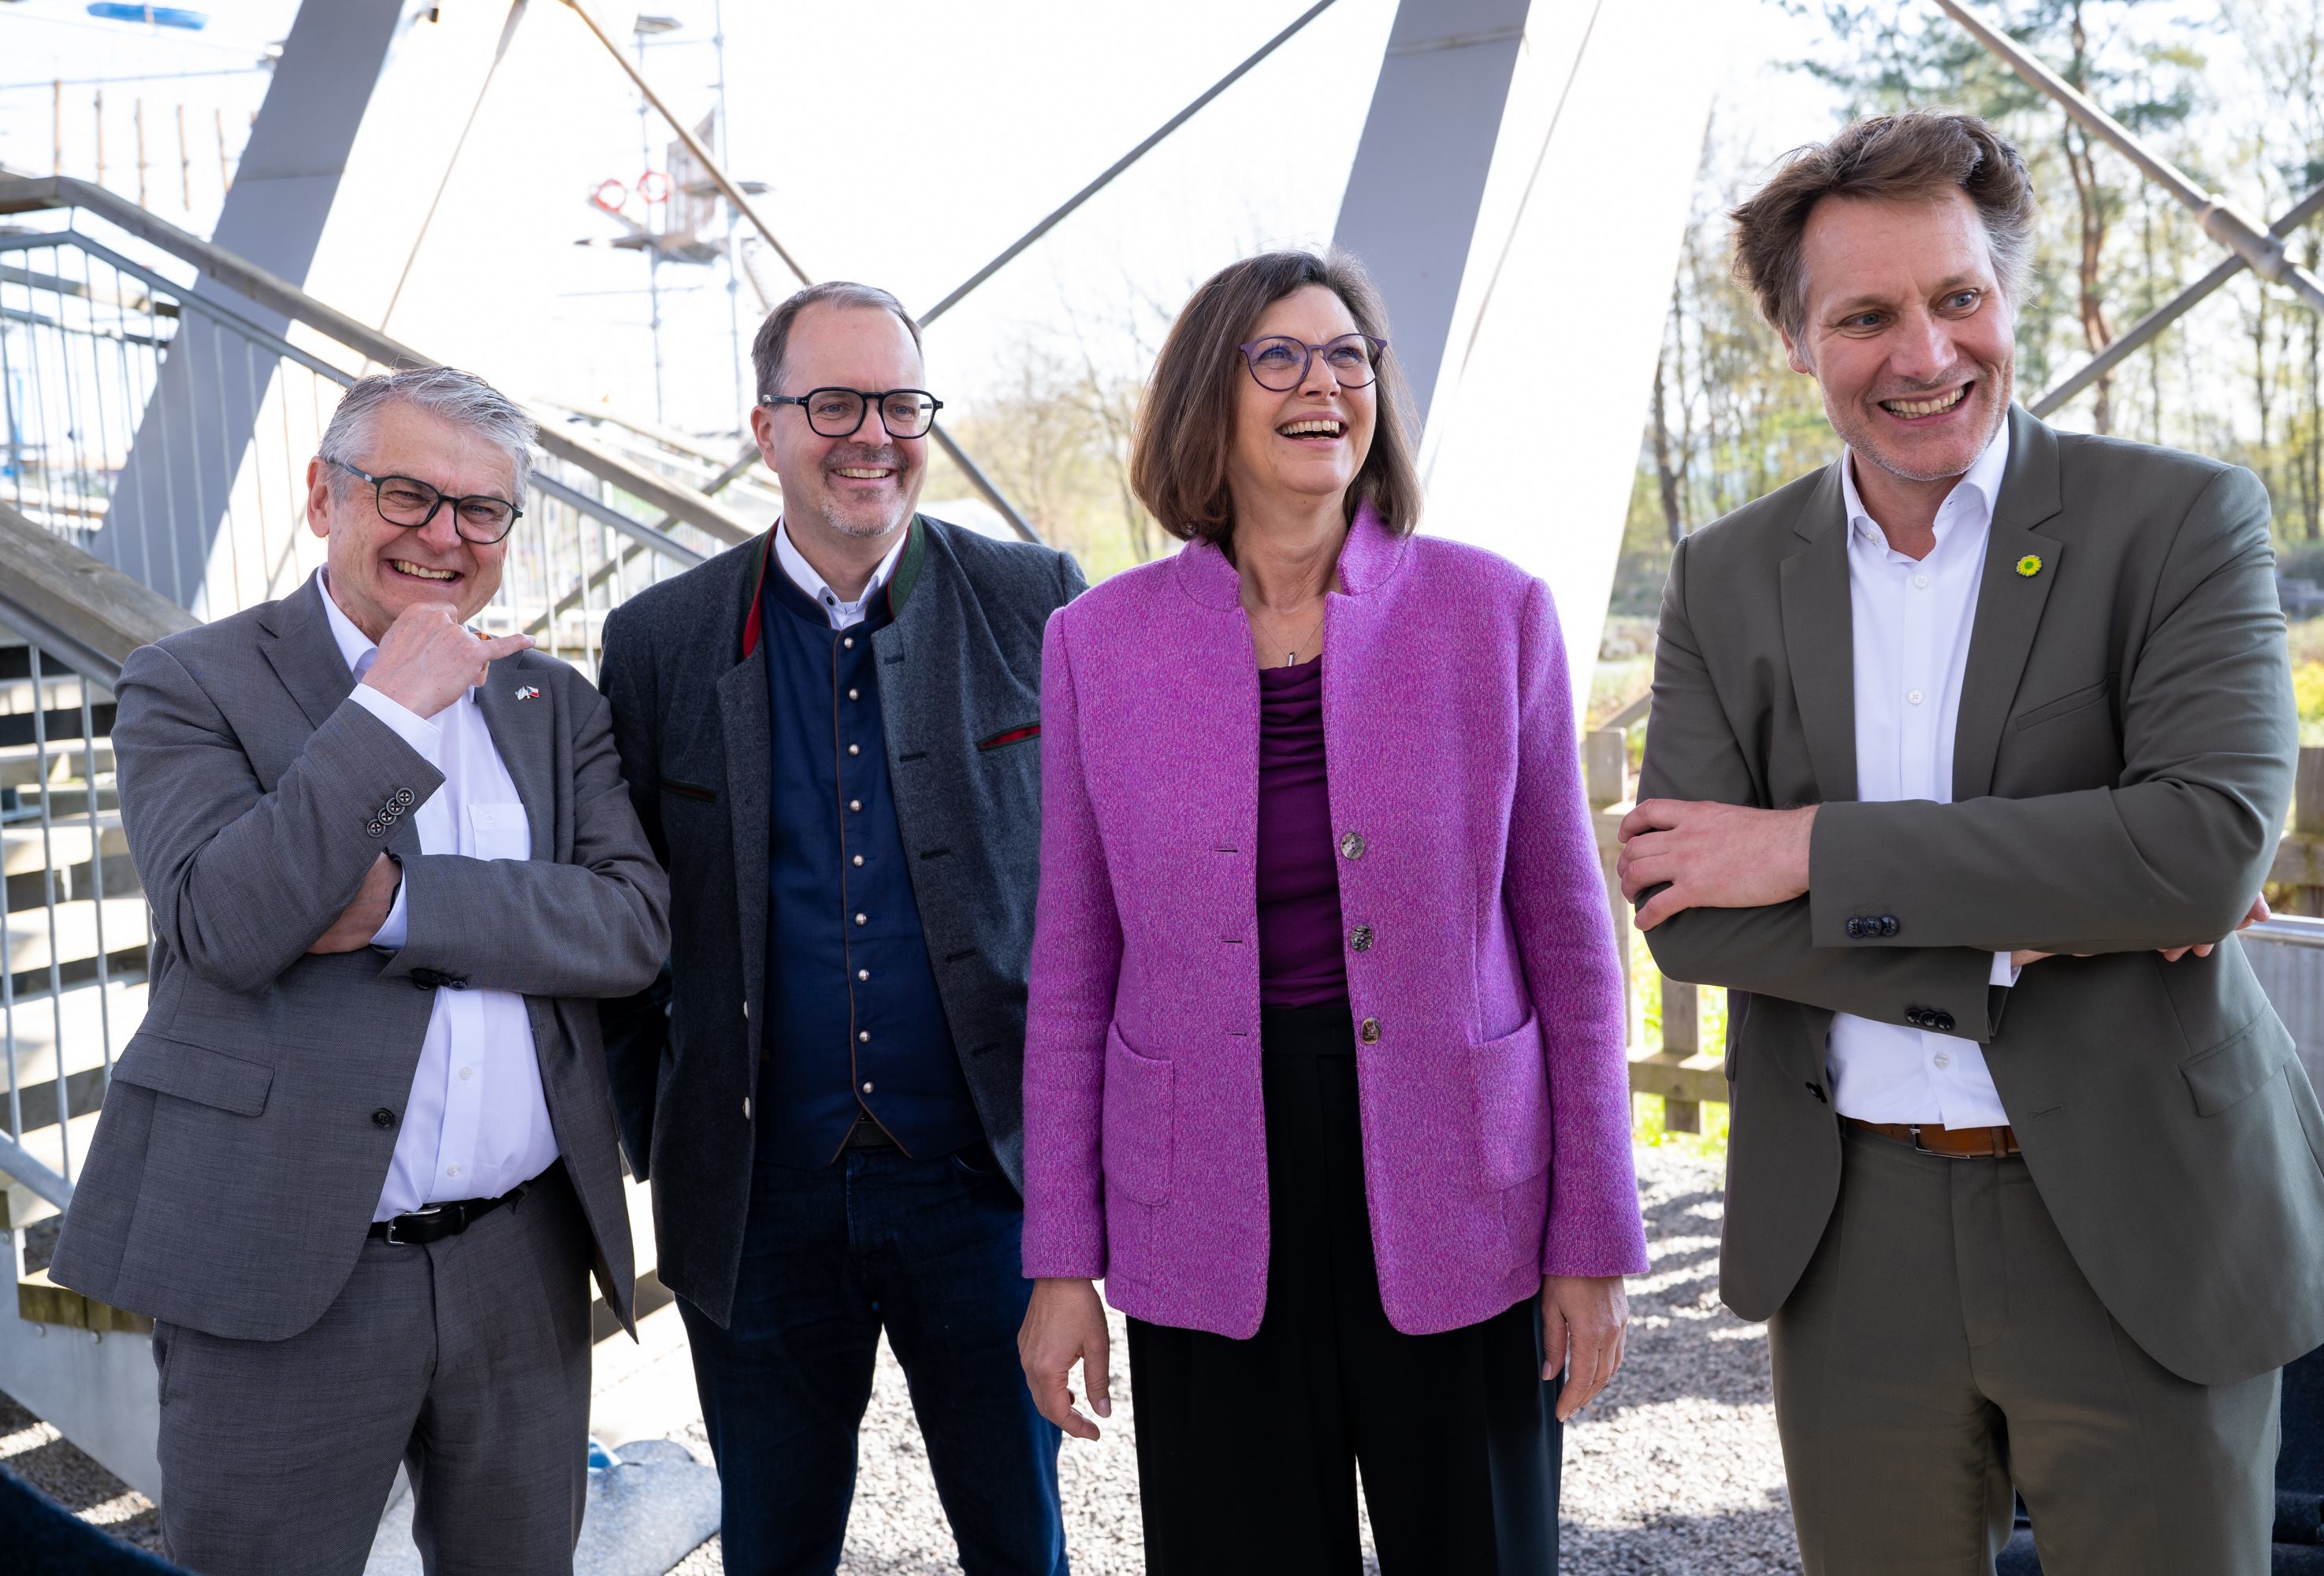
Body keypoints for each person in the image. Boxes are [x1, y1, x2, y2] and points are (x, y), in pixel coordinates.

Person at [1618, 111, 2324, 1575]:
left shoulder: (2179, 521)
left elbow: (2205, 847)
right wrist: (2047, 921)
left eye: (1960, 296)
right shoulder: (1724, 575)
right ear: (1796, 342)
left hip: (2147, 1208)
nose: (1926, 353)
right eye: (1865, 317)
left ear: (2007, 294)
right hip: (1852, 1227)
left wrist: (1811, 851)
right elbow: (1688, 904)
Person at [1016, 249, 1648, 1575]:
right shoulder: (1097, 644)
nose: (1325, 383)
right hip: (1204, 1196)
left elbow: (1573, 953)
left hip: (1461, 1184)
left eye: (1348, 356)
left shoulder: (1494, 613)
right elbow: (1073, 967)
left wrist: (1591, 1238)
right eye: (1281, 357)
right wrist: (1062, 1262)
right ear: (1210, 396)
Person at [48, 366, 670, 1574]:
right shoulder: (192, 681)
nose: (444, 535)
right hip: (282, 1258)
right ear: (323, 497)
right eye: (405, 494)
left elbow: (630, 925)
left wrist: (400, 906)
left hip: (522, 1260)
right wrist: (388, 713)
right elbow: (230, 923)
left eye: (480, 509)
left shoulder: (549, 699)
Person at [598, 281, 1087, 1576]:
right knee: (773, 1548)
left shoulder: (1038, 600)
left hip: (985, 1188)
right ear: (765, 428)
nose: (874, 433)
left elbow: (1099, 892)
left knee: (1020, 1543)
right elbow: (623, 919)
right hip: (756, 1200)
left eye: (900, 403)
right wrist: (663, 1131)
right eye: (833, 403)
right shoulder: (657, 643)